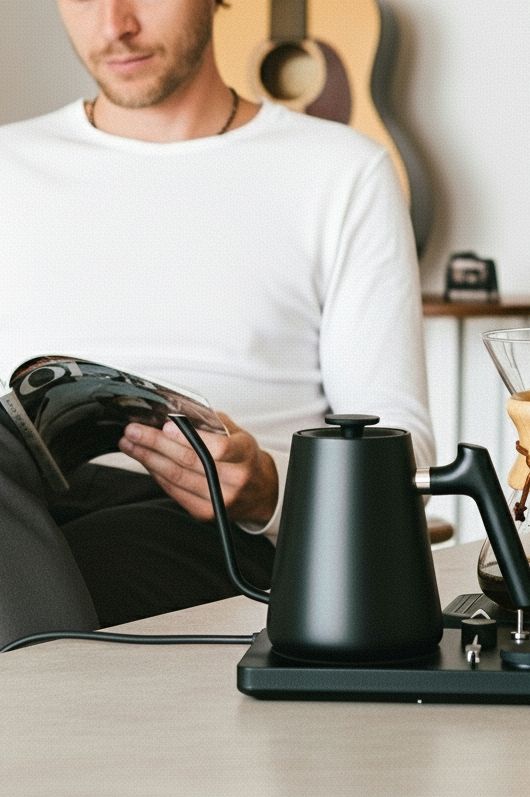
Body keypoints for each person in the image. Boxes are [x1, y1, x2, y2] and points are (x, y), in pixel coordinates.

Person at [0, 0, 434, 647]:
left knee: (69, 566)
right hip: (20, 498)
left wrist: (266, 487)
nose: (113, 25)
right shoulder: (11, 162)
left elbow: (405, 459)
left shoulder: (341, 170)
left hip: (211, 525)